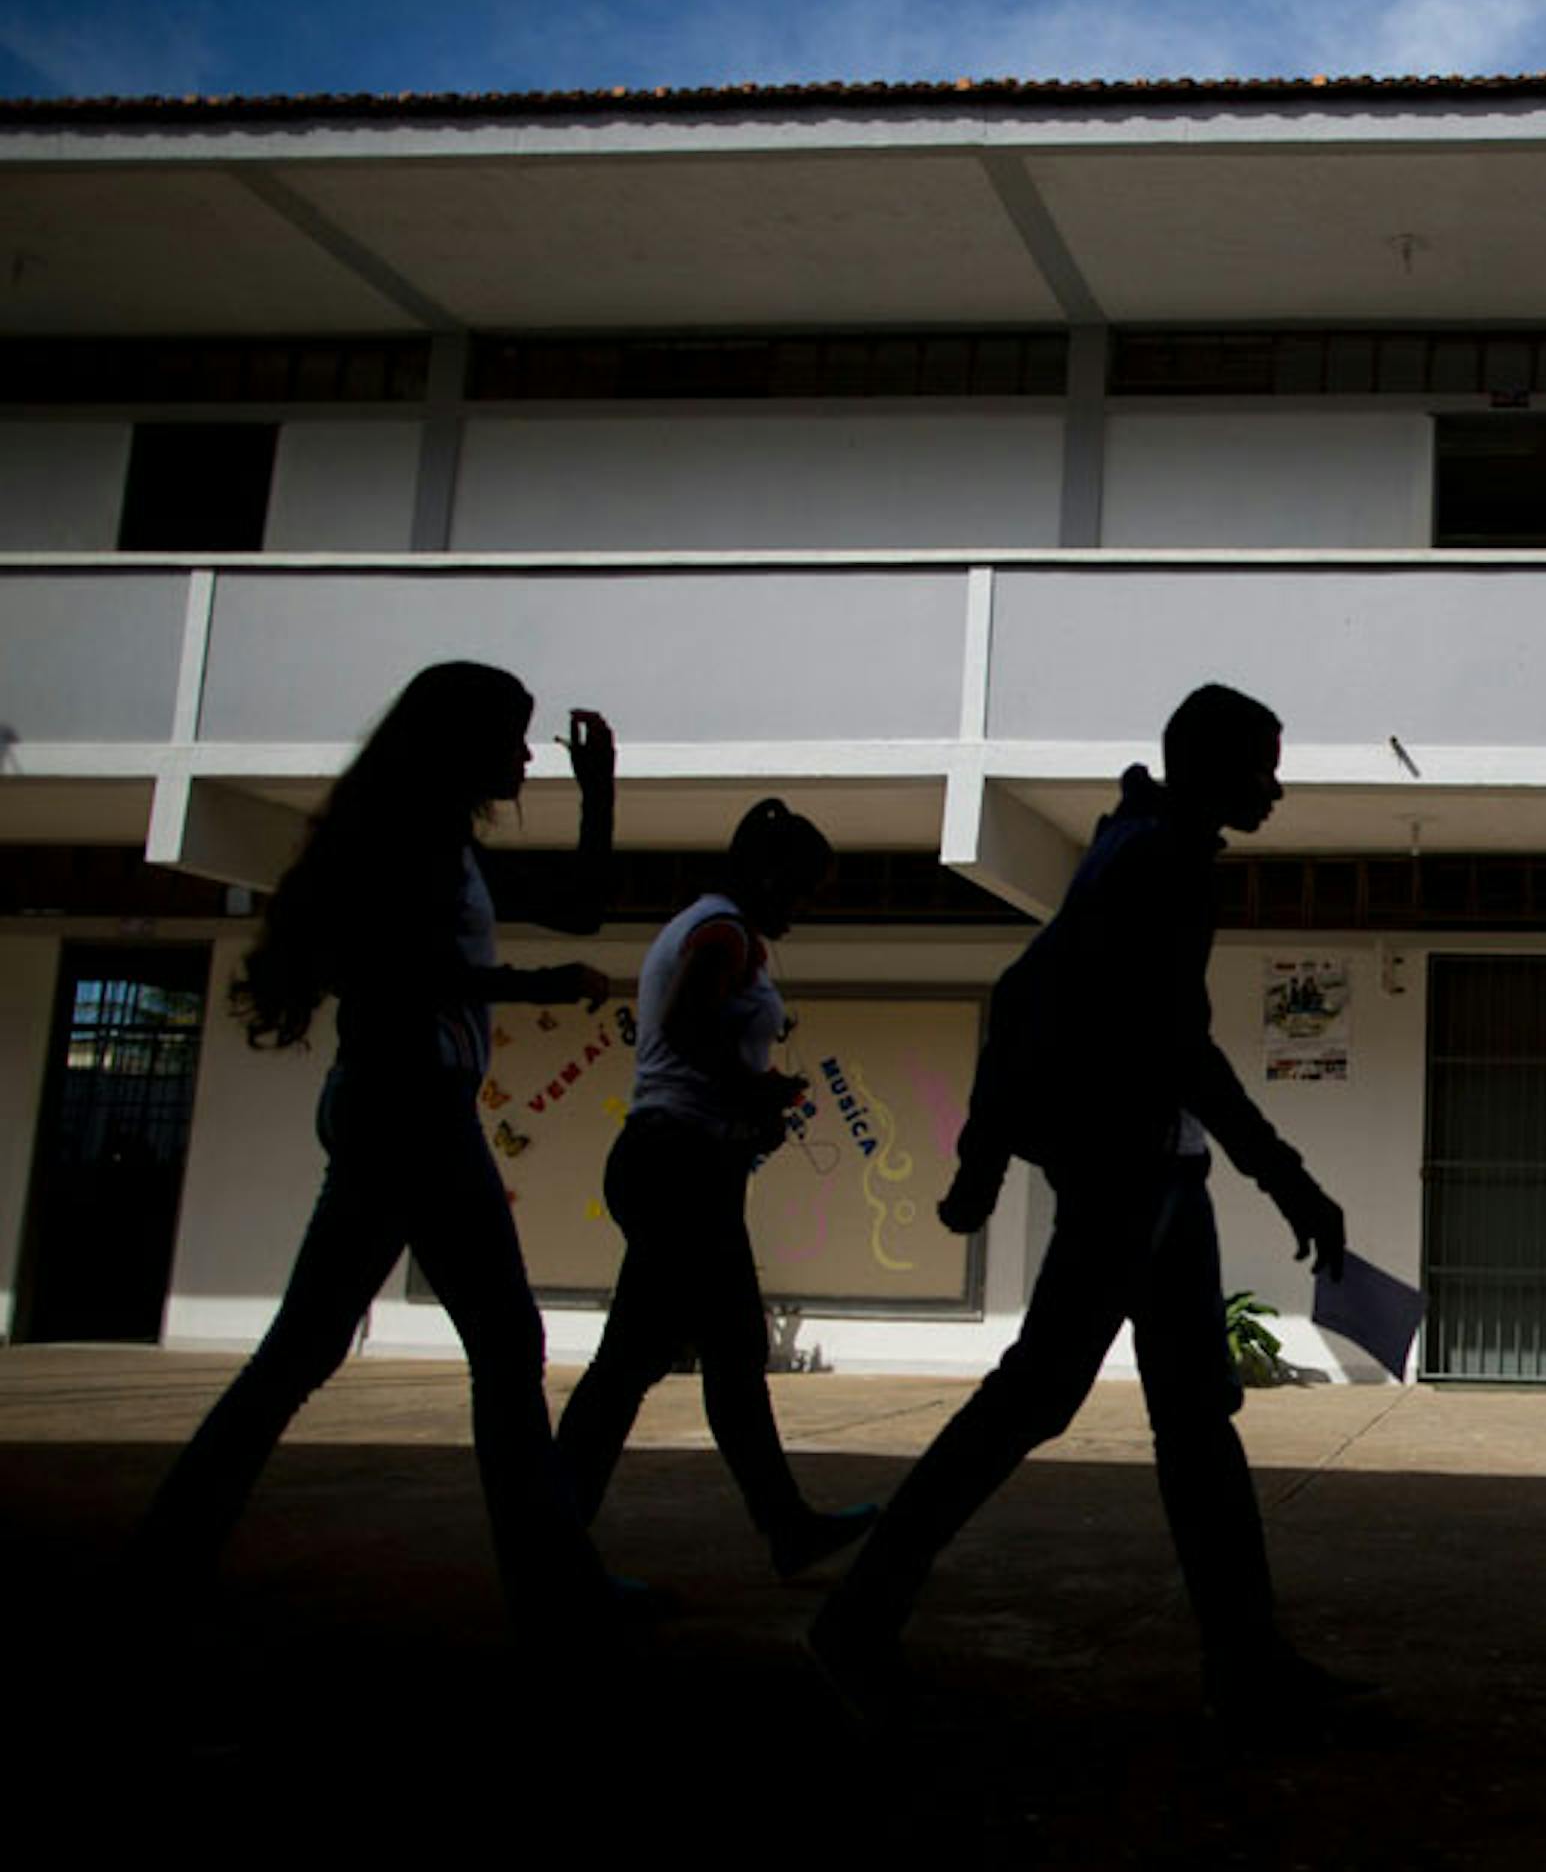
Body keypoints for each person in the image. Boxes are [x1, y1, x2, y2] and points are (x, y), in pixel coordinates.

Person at [808, 682, 1361, 1722]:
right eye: (1261, 766)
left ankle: (1246, 1661)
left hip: (1161, 1177)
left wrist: (988, 1153)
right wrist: (1288, 1178)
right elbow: (1166, 1043)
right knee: (1042, 1401)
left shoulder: (1148, 846)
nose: (1276, 789)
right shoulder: (1153, 862)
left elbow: (1054, 1001)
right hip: (1128, 1177)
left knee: (1189, 1422)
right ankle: (856, 1618)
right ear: (1207, 764)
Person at [135, 661, 635, 1641]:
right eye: (511, 736)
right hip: (411, 1108)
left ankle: (164, 1554)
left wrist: (600, 792)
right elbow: (413, 974)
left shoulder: (438, 844)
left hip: (390, 1109)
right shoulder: (410, 844)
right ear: (461, 742)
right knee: (502, 1342)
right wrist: (543, 987)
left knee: (308, 1347)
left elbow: (580, 903)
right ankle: (557, 1591)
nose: (524, 755)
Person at [554, 797, 879, 1578]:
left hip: (680, 1164)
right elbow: (685, 1026)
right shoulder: (723, 933)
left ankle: (783, 1524)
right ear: (767, 875)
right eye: (799, 891)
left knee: (718, 1354)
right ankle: (553, 1542)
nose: (800, 912)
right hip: (679, 1167)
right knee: (644, 1361)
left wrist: (748, 1104)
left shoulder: (716, 927)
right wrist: (753, 1093)